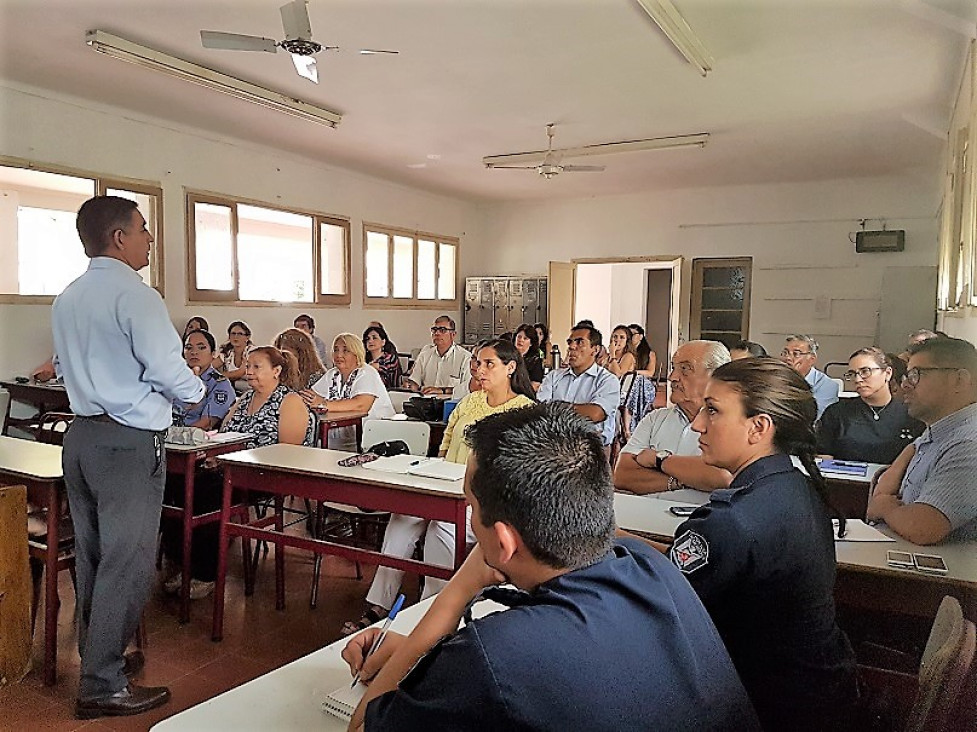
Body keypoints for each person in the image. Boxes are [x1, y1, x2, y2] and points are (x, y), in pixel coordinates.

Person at [342, 403, 760, 732]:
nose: (471, 519)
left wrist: (459, 588)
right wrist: (437, 664)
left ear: (504, 542)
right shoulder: (651, 564)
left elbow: (360, 725)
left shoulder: (495, 654)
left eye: (472, 506)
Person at [53, 195, 206, 718]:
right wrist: (197, 393)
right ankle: (101, 683)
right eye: (144, 229)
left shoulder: (68, 297)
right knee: (130, 560)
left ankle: (103, 657)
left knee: (96, 556)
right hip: (127, 443)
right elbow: (168, 370)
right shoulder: (136, 296)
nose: (149, 239)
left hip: (82, 439)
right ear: (120, 237)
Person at [666, 358, 857, 731]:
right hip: (821, 694)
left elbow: (663, 609)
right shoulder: (795, 486)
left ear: (758, 427)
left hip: (762, 708)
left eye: (713, 411)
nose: (697, 424)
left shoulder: (732, 520)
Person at [343, 339, 535, 636]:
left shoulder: (524, 411)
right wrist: (438, 471)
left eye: (489, 364)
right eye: (477, 363)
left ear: (510, 368)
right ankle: (379, 604)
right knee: (403, 520)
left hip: (485, 502)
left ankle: (430, 613)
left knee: (441, 529)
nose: (479, 370)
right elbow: (446, 444)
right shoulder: (471, 401)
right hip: (445, 485)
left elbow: (521, 471)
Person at [162, 346, 315, 599]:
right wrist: (214, 457)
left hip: (264, 476)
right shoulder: (244, 400)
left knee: (206, 494)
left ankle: (205, 573)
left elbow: (287, 452)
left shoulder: (290, 401)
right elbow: (224, 434)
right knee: (175, 483)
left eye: (257, 367)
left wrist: (233, 462)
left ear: (276, 371)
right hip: (230, 469)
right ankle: (182, 563)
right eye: (248, 366)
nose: (249, 372)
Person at [866, 336, 977, 544]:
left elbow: (925, 527)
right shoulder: (943, 427)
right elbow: (888, 481)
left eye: (916, 375)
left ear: (960, 380)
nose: (905, 385)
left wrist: (885, 506)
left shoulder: (969, 443)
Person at [614, 340, 732, 494]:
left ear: (714, 376)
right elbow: (623, 475)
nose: (672, 377)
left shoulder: (730, 423)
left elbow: (722, 477)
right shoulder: (655, 418)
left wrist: (658, 460)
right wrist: (680, 480)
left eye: (685, 369)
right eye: (673, 368)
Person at [816, 347, 923, 464]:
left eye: (865, 372)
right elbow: (823, 456)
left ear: (887, 373)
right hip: (843, 480)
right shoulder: (837, 412)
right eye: (852, 374)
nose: (858, 379)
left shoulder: (911, 414)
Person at [301, 333, 395, 451]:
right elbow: (313, 395)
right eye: (336, 350)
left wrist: (323, 404)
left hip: (373, 441)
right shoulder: (333, 374)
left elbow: (361, 405)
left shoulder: (367, 373)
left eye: (346, 351)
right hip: (338, 440)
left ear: (356, 353)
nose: (339, 355)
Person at [537, 324, 619, 450]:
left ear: (595, 350)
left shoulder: (607, 380)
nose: (571, 347)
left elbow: (596, 414)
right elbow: (541, 410)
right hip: (553, 443)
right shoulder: (554, 376)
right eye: (570, 342)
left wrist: (556, 407)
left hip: (590, 447)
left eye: (580, 342)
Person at [171, 329, 236, 430]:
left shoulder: (219, 384)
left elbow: (205, 424)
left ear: (213, 354)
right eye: (188, 348)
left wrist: (173, 435)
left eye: (201, 348)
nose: (194, 352)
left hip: (189, 439)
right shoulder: (173, 378)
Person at [404, 316, 472, 395]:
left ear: (453, 334)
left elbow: (468, 388)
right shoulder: (425, 354)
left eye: (442, 330)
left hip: (452, 402)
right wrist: (410, 385)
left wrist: (441, 390)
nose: (437, 333)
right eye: (434, 330)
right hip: (426, 401)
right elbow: (415, 381)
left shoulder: (465, 357)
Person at [781, 334, 838, 418]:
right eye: (785, 353)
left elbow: (816, 419)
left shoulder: (827, 385)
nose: (788, 358)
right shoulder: (776, 379)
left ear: (812, 359)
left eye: (796, 354)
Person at [363, 324, 403, 389]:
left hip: (390, 394)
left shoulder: (390, 358)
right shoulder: (363, 359)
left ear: (383, 342)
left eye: (374, 338)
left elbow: (384, 373)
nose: (370, 341)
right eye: (367, 339)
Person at [216, 321, 253, 388]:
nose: (236, 336)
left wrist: (218, 376)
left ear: (247, 337)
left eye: (240, 334)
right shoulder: (227, 352)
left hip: (250, 387)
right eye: (233, 333)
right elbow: (211, 366)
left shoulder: (251, 351)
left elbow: (240, 372)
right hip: (234, 388)